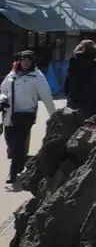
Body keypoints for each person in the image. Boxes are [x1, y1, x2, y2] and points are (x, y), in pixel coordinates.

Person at [0, 51, 56, 184]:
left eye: (28, 61)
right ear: (19, 61)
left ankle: (12, 173)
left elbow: (46, 97)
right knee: (10, 142)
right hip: (9, 114)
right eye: (23, 60)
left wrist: (54, 116)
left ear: (32, 62)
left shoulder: (37, 77)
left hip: (26, 115)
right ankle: (20, 160)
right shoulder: (12, 74)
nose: (25, 62)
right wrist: (2, 99)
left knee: (18, 142)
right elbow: (3, 90)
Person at [64, 40, 96, 115]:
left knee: (74, 124)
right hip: (91, 102)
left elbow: (67, 86)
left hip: (74, 101)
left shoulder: (73, 64)